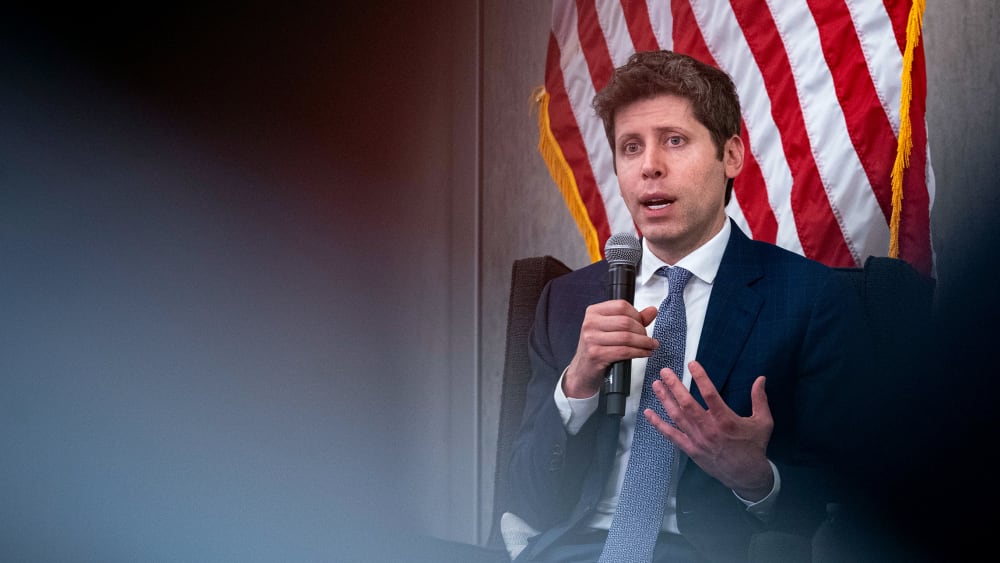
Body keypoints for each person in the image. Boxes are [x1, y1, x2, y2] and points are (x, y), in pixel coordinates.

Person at [504, 50, 874, 563]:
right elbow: (524, 497)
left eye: (674, 141)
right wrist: (577, 388)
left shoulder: (811, 299)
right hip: (576, 549)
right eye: (630, 147)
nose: (650, 166)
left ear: (731, 156)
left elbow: (851, 502)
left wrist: (756, 479)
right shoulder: (566, 301)